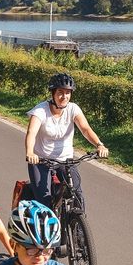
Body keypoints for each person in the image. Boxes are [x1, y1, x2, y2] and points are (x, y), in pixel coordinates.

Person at [22, 73, 108, 205]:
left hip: (65, 161)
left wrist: (99, 144)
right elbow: (31, 133)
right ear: (53, 93)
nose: (64, 96)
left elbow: (85, 129)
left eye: (68, 93)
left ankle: (78, 224)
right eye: (60, 92)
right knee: (44, 200)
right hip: (41, 161)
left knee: (77, 195)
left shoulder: (73, 109)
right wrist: (30, 152)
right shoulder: (40, 111)